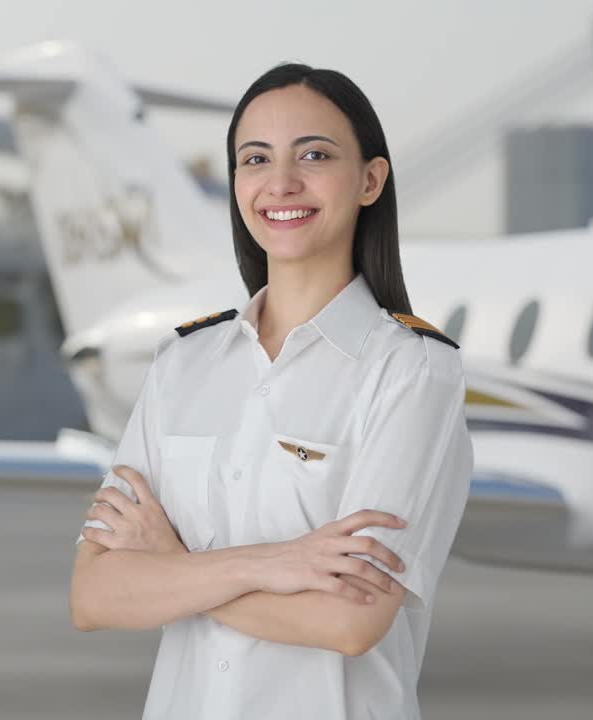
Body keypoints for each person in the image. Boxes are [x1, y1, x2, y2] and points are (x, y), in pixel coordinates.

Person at [69, 62, 473, 720]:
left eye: (314, 154)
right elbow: (94, 594)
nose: (281, 183)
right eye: (254, 159)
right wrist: (272, 563)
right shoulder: (182, 365)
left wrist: (173, 569)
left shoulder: (411, 369)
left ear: (371, 180)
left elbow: (350, 622)